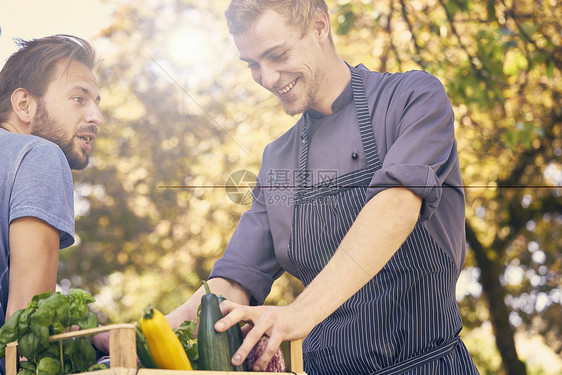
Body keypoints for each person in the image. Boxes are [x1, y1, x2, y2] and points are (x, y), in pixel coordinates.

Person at [170, 1, 479, 373]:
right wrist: (129, 335)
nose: (267, 78)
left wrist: (300, 312)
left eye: (277, 54)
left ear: (319, 27)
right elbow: (233, 279)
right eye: (252, 64)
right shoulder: (277, 159)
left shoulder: (411, 98)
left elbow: (396, 205)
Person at [0, 34, 103, 369]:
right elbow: (25, 330)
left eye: (97, 102)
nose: (96, 116)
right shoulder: (38, 155)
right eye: (78, 98)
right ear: (24, 104)